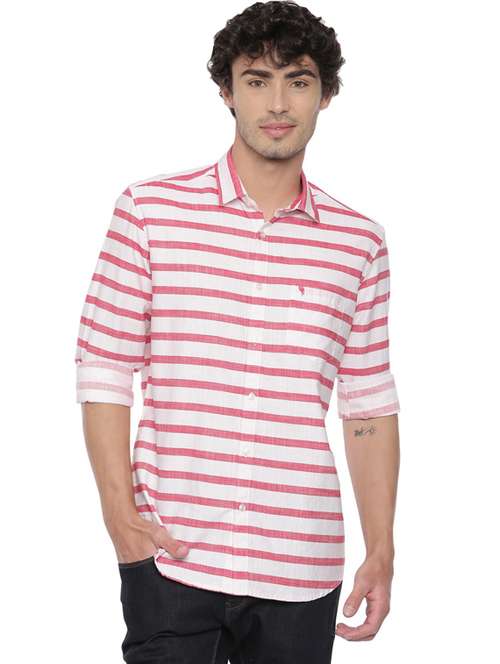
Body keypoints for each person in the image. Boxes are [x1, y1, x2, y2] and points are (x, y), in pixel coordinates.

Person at [74, 1, 401, 661]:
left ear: (325, 94)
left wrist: (382, 548)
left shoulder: (359, 243)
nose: (277, 103)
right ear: (226, 90)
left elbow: (367, 406)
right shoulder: (150, 213)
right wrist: (119, 517)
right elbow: (103, 368)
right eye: (257, 80)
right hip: (173, 558)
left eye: (298, 81)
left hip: (302, 565)